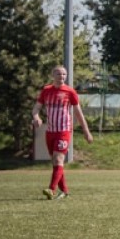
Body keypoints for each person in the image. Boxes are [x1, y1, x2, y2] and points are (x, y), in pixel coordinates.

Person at [31, 65, 93, 200]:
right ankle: (64, 191)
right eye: (59, 74)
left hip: (64, 131)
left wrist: (86, 131)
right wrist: (36, 117)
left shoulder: (70, 92)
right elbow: (36, 109)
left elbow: (79, 113)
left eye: (64, 74)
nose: (62, 77)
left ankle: (51, 189)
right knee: (55, 162)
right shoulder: (46, 91)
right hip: (50, 131)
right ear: (53, 75)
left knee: (59, 159)